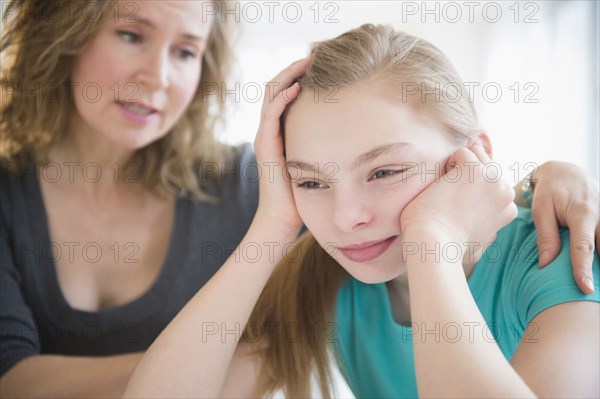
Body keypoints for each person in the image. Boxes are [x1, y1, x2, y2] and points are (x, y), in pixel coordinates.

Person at [0, 0, 597, 395]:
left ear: (476, 155)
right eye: (311, 181)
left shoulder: (559, 268)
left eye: (385, 171)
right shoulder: (334, 279)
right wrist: (272, 223)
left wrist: (433, 248)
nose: (346, 217)